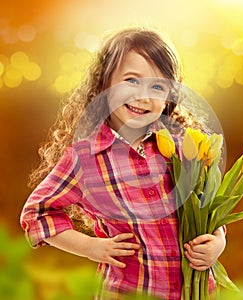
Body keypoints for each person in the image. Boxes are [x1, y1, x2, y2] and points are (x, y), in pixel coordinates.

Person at [20, 27, 226, 299]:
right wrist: (91, 247)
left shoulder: (182, 145)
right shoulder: (85, 158)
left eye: (157, 86)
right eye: (131, 81)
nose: (143, 96)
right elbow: (36, 214)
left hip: (195, 292)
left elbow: (207, 209)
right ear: (105, 83)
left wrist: (217, 243)